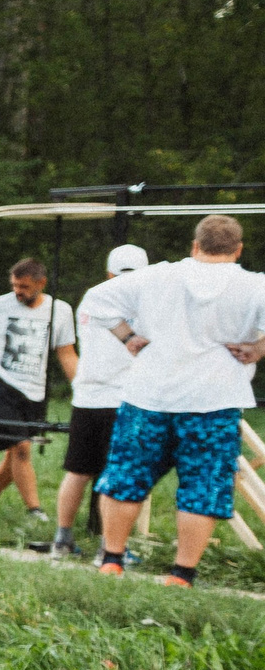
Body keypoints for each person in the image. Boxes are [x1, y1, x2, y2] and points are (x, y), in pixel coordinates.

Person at [93, 214, 265, 586]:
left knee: (126, 476)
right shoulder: (254, 285)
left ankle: (112, 560)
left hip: (148, 395)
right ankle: (182, 574)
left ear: (194, 245)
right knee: (202, 485)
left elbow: (98, 299)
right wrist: (257, 348)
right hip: (214, 400)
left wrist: (128, 337)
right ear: (238, 249)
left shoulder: (157, 275)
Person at [0, 257, 77, 523]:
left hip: (35, 391)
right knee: (21, 448)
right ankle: (35, 511)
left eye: (25, 286)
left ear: (41, 283)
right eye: (15, 285)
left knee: (14, 456)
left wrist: (82, 388)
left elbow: (66, 353)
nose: (18, 291)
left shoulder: (60, 311)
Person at [51, 244, 148, 556]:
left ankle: (62, 540)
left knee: (77, 470)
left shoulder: (92, 297)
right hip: (126, 397)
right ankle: (110, 547)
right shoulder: (146, 301)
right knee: (119, 473)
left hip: (87, 396)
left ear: (109, 272)